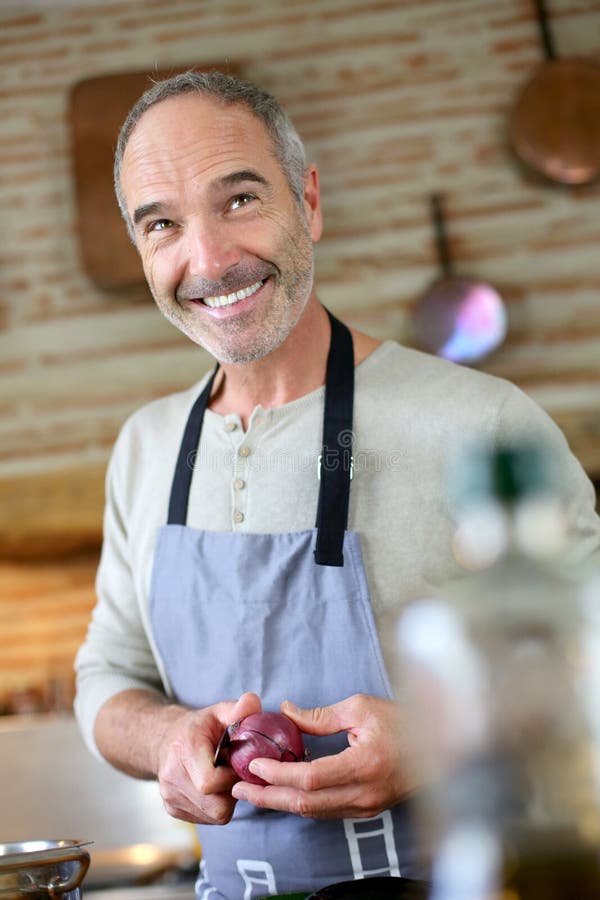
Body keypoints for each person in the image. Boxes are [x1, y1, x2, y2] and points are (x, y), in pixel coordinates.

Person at [74, 70, 600, 899]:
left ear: (308, 203)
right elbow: (107, 673)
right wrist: (165, 737)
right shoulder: (144, 449)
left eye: (240, 199)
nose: (208, 259)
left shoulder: (482, 424)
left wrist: (441, 737)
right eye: (163, 223)